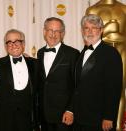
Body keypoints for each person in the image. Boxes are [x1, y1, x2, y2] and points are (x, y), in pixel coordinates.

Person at [73, 14, 122, 131]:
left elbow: (114, 88)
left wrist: (109, 117)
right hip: (80, 118)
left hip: (100, 119)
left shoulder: (111, 53)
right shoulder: (82, 53)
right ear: (81, 30)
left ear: (101, 30)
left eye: (94, 28)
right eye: (86, 28)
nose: (90, 31)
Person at [86, 1, 126, 130]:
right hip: (99, 55)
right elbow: (91, 37)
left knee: (120, 91)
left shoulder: (124, 8)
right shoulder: (92, 9)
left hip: (122, 52)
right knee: (95, 90)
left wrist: (116, 36)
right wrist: (110, 34)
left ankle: (118, 127)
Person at [0, 29, 39, 131]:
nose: (13, 45)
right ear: (5, 46)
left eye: (17, 41)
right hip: (3, 122)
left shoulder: (35, 64)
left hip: (28, 122)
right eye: (9, 42)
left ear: (23, 43)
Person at [37, 17, 80, 131]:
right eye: (50, 30)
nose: (53, 34)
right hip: (44, 115)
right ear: (44, 32)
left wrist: (71, 110)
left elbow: (78, 85)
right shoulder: (40, 53)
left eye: (57, 31)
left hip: (64, 116)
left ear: (63, 34)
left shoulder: (73, 54)